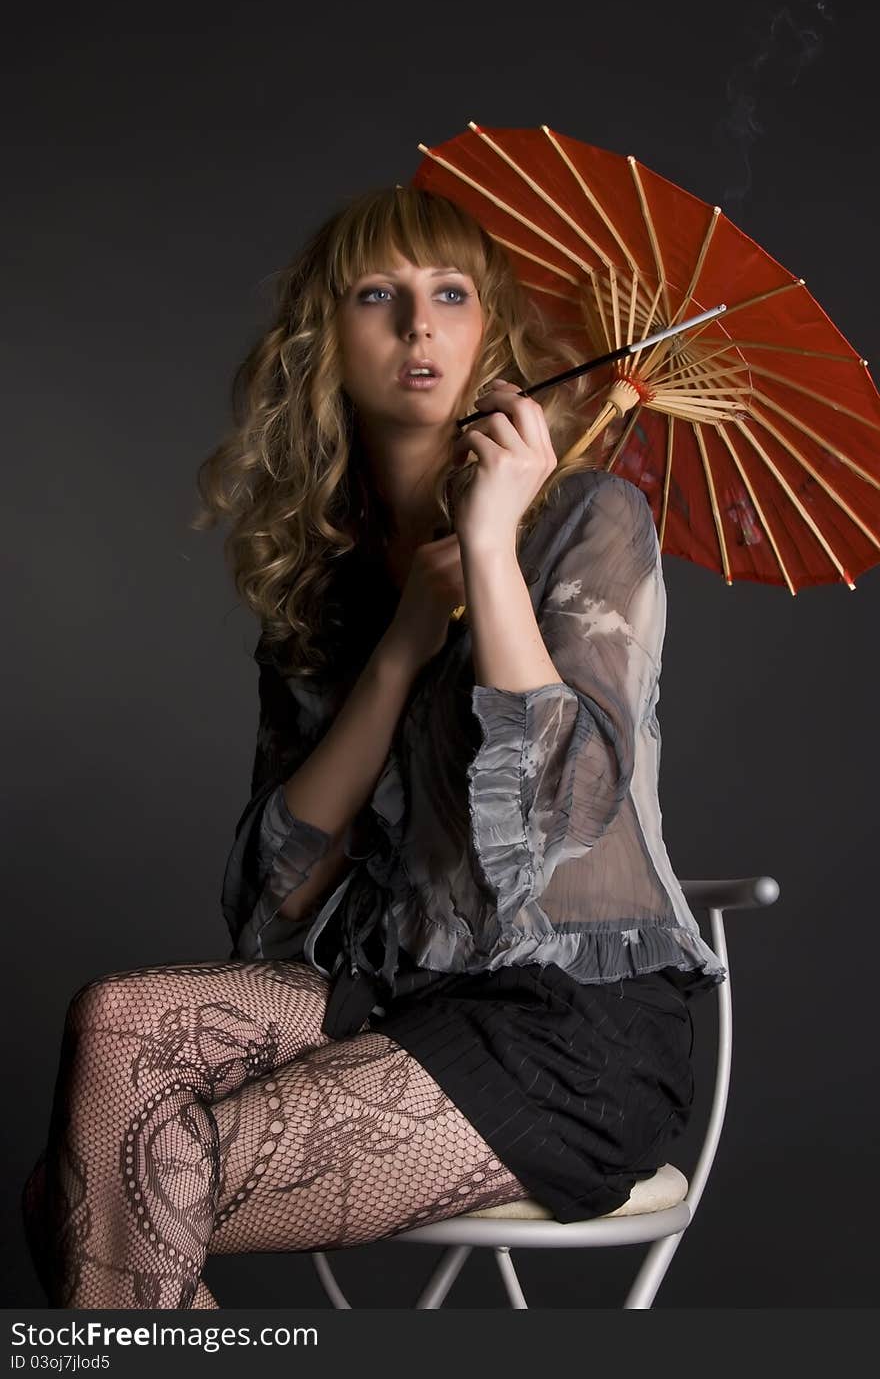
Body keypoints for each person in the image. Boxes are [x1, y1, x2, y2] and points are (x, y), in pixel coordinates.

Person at [21, 185, 725, 1310]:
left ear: (491, 328)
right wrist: (399, 648)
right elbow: (273, 904)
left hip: (568, 1036)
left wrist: (494, 547)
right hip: (397, 993)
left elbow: (556, 818)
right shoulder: (329, 584)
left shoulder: (589, 520)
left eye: (450, 293)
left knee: (94, 1187)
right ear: (324, 339)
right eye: (377, 296)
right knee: (115, 1026)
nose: (419, 325)